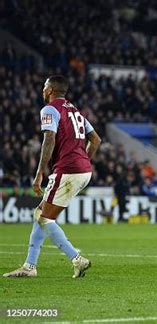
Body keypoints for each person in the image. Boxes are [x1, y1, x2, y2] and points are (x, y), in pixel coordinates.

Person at [3, 75, 101, 278]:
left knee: (45, 218)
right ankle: (30, 266)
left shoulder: (50, 110)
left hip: (68, 170)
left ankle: (77, 259)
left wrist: (39, 173)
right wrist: (84, 160)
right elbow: (96, 139)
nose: (42, 90)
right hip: (83, 171)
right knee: (40, 214)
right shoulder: (75, 111)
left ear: (50, 90)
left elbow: (49, 139)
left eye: (44, 86)